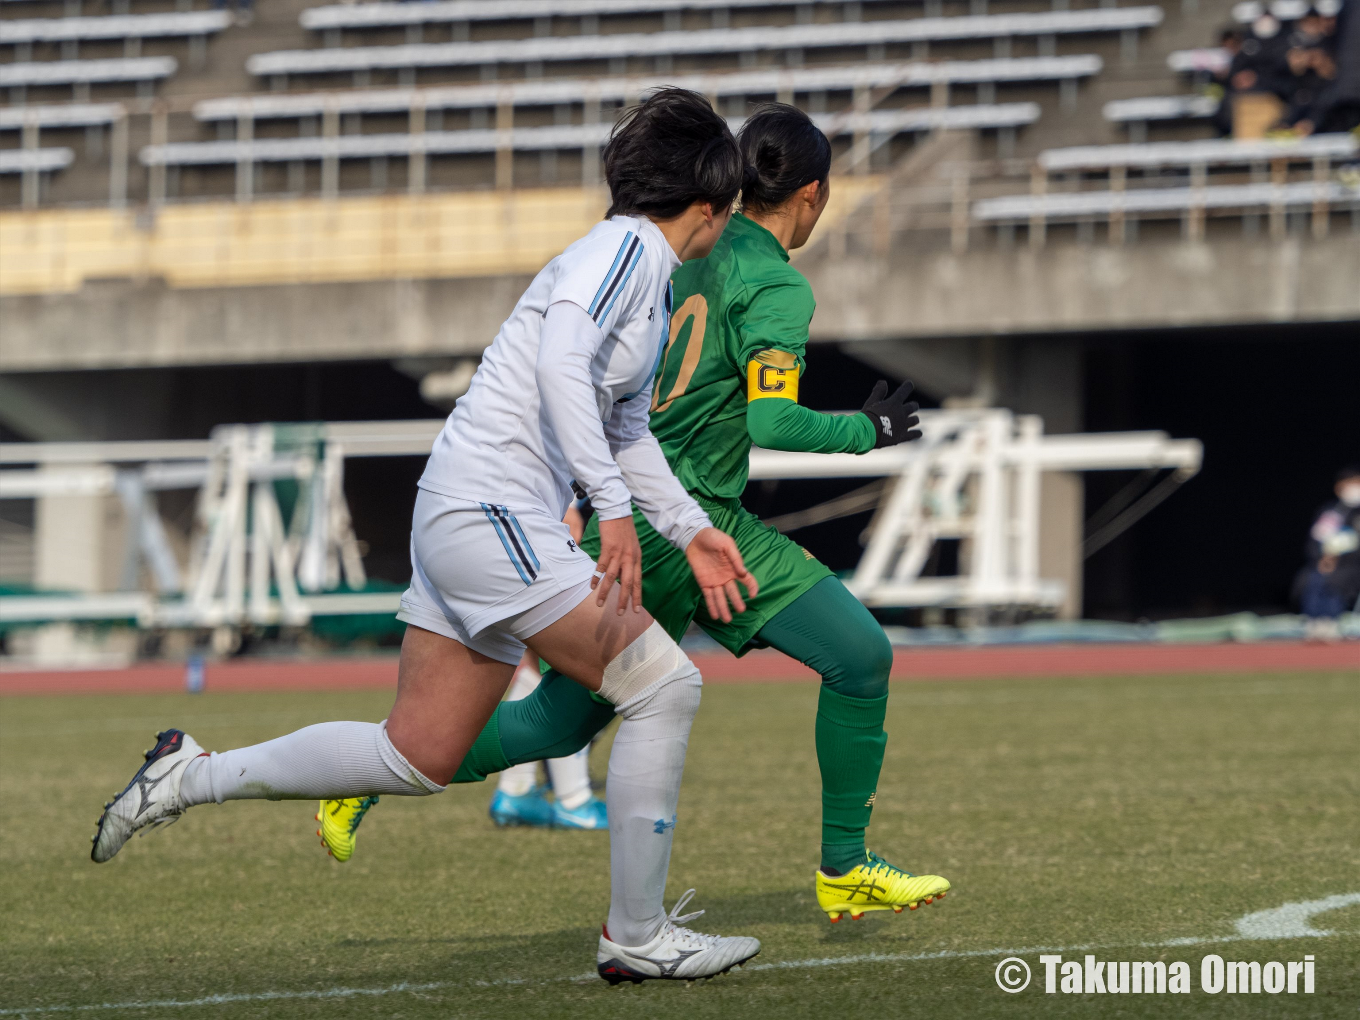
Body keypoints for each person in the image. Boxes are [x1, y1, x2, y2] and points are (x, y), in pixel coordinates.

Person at [91, 88, 765, 985]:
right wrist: (609, 509)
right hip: (492, 511)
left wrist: (685, 526)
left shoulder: (634, 275)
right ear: (712, 205)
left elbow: (625, 427)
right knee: (664, 687)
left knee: (417, 755)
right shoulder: (628, 254)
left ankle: (186, 774)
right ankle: (636, 938)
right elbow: (564, 363)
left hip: (463, 510)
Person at [324, 104, 952, 925]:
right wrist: (872, 429)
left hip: (662, 511)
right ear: (812, 194)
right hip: (686, 522)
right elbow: (773, 422)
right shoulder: (773, 282)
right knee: (846, 661)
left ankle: (843, 868)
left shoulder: (677, 246)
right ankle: (822, 872)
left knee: (572, 720)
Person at [1294, 465, 1360, 641]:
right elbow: (1316, 540)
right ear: (1339, 488)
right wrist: (1323, 559)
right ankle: (1314, 621)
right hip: (1324, 562)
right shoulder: (1331, 512)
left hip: (1352, 564)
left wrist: (1340, 559)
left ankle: (1331, 621)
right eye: (1350, 484)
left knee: (1338, 579)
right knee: (1312, 578)